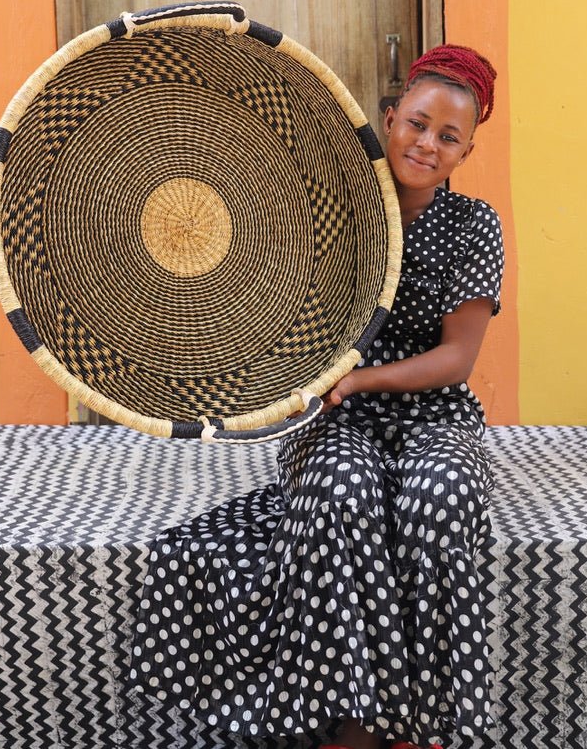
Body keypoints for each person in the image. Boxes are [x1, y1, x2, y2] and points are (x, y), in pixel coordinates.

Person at [129, 45, 504, 749]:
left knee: (439, 496)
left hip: (428, 411)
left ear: (467, 149)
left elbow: (457, 359)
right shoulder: (332, 211)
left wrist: (361, 377)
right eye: (418, 124)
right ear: (389, 119)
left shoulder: (474, 226)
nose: (427, 144)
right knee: (338, 488)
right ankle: (345, 728)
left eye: (448, 136)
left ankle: (423, 729)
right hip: (333, 414)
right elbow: (269, 305)